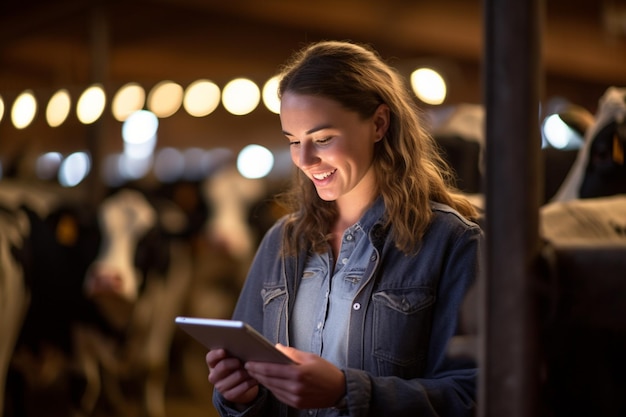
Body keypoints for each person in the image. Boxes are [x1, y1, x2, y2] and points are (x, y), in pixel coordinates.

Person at [206, 40, 483, 417]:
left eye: (323, 139)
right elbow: (253, 394)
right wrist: (240, 397)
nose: (305, 160)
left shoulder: (450, 242)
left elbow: (477, 394)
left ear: (379, 124)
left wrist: (346, 392)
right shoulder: (282, 241)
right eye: (293, 141)